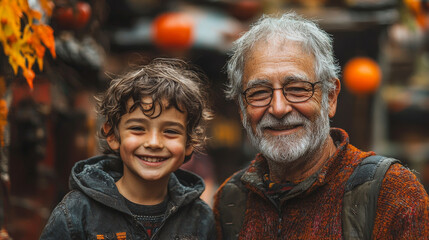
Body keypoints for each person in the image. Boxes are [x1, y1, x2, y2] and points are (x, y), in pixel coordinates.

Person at [213, 12, 429, 239]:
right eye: (259, 93)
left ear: (330, 97)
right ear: (241, 108)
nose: (278, 108)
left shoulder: (393, 193)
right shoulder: (231, 202)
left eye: (297, 88)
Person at [40, 58, 216, 239]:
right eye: (138, 129)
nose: (154, 142)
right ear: (113, 136)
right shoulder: (77, 213)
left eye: (170, 131)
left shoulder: (199, 219)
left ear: (189, 143)